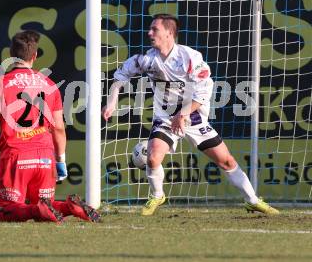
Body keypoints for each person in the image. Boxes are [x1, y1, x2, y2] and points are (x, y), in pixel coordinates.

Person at [102, 14, 279, 216]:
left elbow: (204, 93)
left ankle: (252, 200)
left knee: (226, 161)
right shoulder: (145, 59)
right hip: (166, 119)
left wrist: (184, 114)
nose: (149, 33)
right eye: (150, 29)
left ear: (169, 33)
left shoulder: (189, 57)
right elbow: (119, 78)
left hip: (193, 118)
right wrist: (111, 104)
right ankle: (157, 195)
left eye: (155, 29)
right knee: (152, 158)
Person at [0, 30, 100, 223]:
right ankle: (70, 207)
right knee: (44, 204)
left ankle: (37, 212)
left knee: (1, 212)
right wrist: (60, 160)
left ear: (10, 55)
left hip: (17, 156)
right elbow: (59, 128)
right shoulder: (49, 84)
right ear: (35, 56)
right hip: (45, 157)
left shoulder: (0, 84)